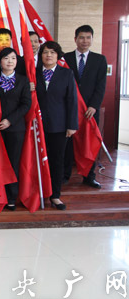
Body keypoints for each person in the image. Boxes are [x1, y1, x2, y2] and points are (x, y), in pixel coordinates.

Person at [63, 25, 107, 188]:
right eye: (81, 37)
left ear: (92, 39)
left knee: (89, 142)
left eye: (88, 37)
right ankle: (64, 175)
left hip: (89, 110)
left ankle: (89, 176)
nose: (85, 41)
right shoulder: (65, 58)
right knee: (67, 144)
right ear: (75, 39)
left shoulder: (100, 60)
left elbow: (101, 86)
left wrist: (94, 106)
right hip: (69, 109)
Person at [36, 41, 78, 210]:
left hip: (59, 126)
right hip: (36, 126)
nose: (49, 55)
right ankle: (37, 193)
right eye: (46, 52)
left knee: (56, 160)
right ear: (41, 55)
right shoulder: (33, 73)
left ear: (58, 56)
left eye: (52, 52)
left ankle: (55, 195)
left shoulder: (66, 74)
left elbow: (72, 100)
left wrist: (71, 125)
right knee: (36, 161)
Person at [0, 48, 32, 210]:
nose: (10, 61)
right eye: (6, 58)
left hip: (15, 129)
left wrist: (9, 120)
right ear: (0, 61)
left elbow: (26, 104)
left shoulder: (23, 80)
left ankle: (11, 196)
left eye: (13, 58)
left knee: (12, 162)